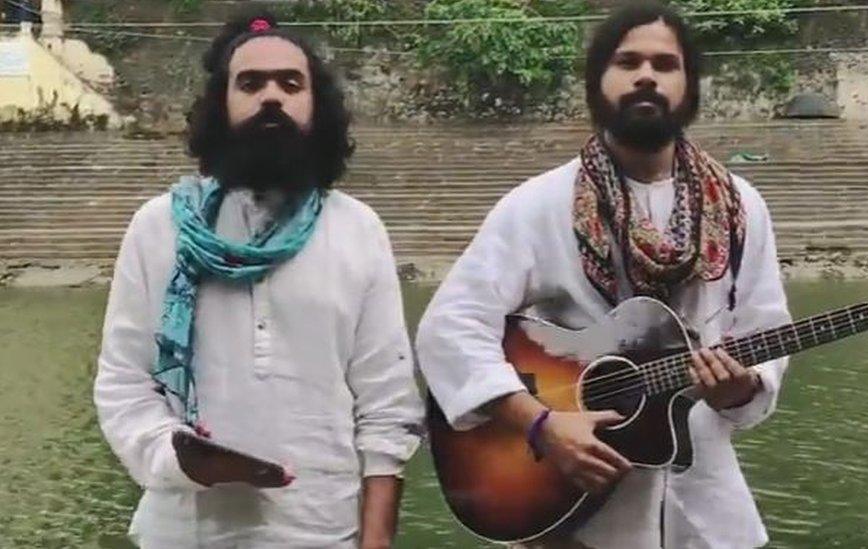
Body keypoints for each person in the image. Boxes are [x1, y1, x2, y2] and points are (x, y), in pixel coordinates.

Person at [416, 3, 792, 548]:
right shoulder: (540, 205)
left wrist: (741, 386)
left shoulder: (740, 207)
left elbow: (765, 331)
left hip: (707, 510)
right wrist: (540, 425)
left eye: (665, 64)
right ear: (599, 83)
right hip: (571, 511)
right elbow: (449, 328)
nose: (646, 75)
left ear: (689, 86)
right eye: (628, 62)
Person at [93, 12, 422, 549]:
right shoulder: (160, 227)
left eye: (291, 84)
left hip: (323, 529)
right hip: (185, 530)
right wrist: (180, 457)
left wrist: (377, 537)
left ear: (318, 108)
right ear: (221, 104)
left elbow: (387, 401)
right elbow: (124, 383)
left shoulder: (358, 228)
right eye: (250, 83)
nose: (272, 96)